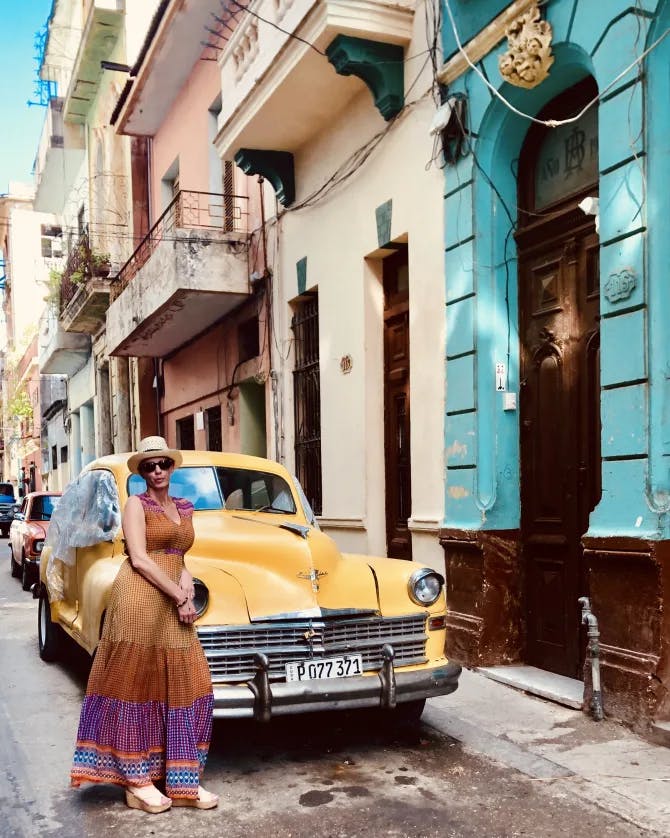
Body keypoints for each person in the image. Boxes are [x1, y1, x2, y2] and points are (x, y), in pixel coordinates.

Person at [70, 436, 218, 814]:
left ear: (172, 466)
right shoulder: (136, 504)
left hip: (171, 593)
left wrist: (186, 579)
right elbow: (139, 558)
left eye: (162, 465)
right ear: (141, 472)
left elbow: (177, 554)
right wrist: (179, 595)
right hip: (139, 596)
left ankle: (183, 777)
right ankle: (137, 780)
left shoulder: (183, 507)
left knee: (191, 680)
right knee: (135, 681)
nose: (156, 471)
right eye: (149, 466)